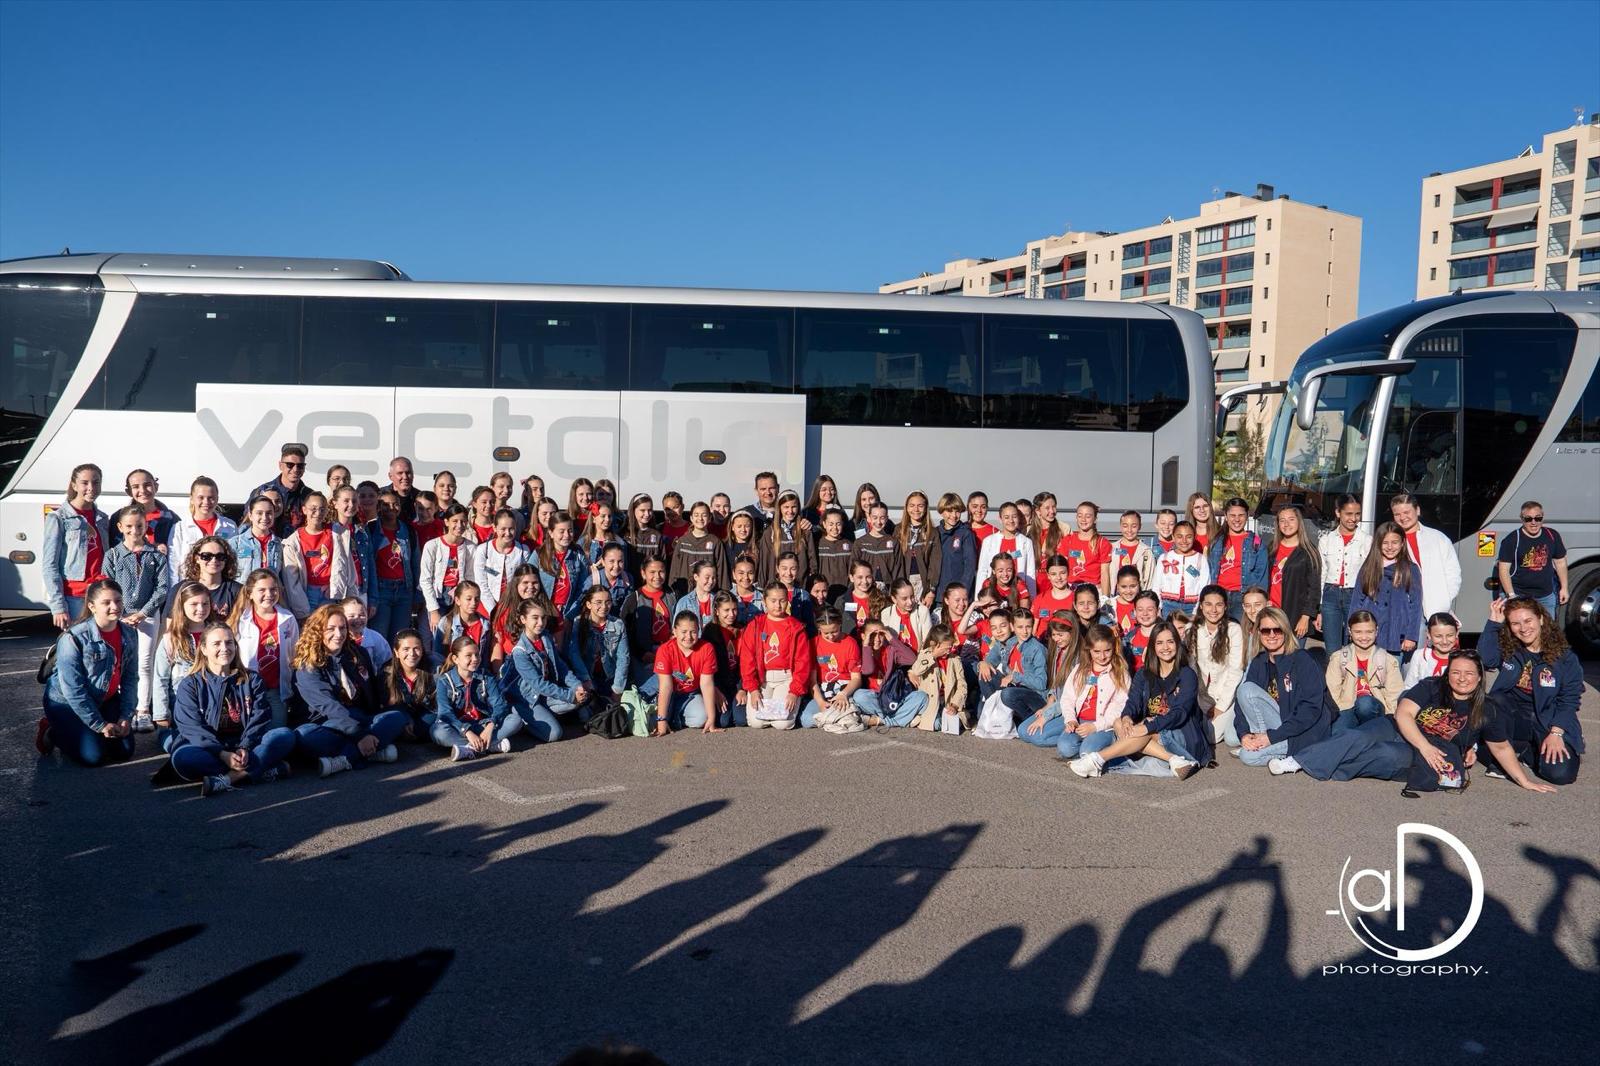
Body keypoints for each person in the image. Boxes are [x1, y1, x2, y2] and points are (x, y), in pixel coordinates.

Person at [1270, 650, 1557, 796]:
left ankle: (1328, 767)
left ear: (1480, 677)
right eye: (1456, 672)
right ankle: (1298, 761)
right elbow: (1404, 714)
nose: (1462, 678)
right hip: (1400, 729)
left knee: (1382, 756)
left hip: (1430, 749)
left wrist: (1525, 781)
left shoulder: (1487, 709)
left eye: (1469, 674)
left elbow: (1502, 748)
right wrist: (1424, 745)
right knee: (1359, 737)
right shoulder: (1432, 685)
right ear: (1448, 673)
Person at [167, 621, 296, 795]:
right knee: (184, 759)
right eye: (216, 644)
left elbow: (260, 717)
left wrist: (245, 747)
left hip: (244, 745)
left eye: (229, 642)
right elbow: (191, 727)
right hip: (208, 748)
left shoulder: (253, 679)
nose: (225, 648)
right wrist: (222, 754)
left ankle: (229, 779)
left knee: (284, 736)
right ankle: (262, 770)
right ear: (204, 649)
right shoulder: (190, 684)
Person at [1069, 622, 1206, 779]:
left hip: (1180, 732)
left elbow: (1179, 714)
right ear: (1153, 646)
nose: (1165, 647)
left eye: (1170, 641)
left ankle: (1097, 760)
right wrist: (1127, 717)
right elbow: (1132, 702)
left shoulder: (1187, 674)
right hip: (1153, 729)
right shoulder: (1144, 673)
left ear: (1177, 643)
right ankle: (1174, 760)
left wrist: (1148, 727)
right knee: (1119, 722)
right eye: (1159, 643)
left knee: (1143, 729)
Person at [288, 604, 409, 777]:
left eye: (342, 628)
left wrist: (370, 726)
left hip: (358, 717)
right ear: (317, 631)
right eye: (331, 629)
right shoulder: (306, 666)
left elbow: (373, 695)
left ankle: (346, 758)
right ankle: (371, 752)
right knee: (306, 737)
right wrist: (361, 735)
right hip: (325, 723)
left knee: (396, 717)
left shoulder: (358, 653)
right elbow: (329, 707)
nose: (339, 634)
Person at [1478, 597, 1583, 786]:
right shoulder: (1511, 648)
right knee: (1496, 700)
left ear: (1541, 619)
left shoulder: (1565, 657)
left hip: (1548, 719)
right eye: (1515, 623)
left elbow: (1570, 700)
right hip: (1514, 716)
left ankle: (1528, 752)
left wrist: (1557, 733)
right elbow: (1486, 660)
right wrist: (1493, 623)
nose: (1523, 628)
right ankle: (1509, 752)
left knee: (1560, 774)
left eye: (1528, 621)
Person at [36, 579, 137, 766]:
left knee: (124, 752)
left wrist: (125, 716)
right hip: (66, 703)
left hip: (105, 699)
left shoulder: (130, 634)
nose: (114, 606)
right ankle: (52, 729)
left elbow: (131, 679)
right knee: (93, 757)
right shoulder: (73, 637)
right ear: (92, 606)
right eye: (106, 603)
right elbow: (73, 690)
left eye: (118, 600)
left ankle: (92, 733)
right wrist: (99, 724)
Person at [1232, 606, 1329, 767]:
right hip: (1275, 727)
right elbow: (1240, 705)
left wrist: (1271, 737)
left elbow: (1310, 709)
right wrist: (1243, 734)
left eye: (1277, 630)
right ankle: (1287, 753)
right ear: (1258, 633)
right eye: (1265, 631)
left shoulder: (1302, 659)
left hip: (1301, 731)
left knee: (1247, 756)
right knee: (1245, 690)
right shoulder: (1258, 661)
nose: (1271, 635)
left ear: (1285, 631)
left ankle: (1293, 751)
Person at [104, 505, 168, 732]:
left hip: (148, 615)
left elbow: (162, 589)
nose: (134, 530)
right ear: (121, 527)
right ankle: (124, 710)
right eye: (129, 526)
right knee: (121, 662)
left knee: (145, 662)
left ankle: (143, 710)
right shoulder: (112, 555)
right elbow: (107, 586)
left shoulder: (156, 555)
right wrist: (121, 614)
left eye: (139, 525)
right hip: (119, 616)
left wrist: (143, 613)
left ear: (146, 526)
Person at [506, 599, 592, 742]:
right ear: (523, 619)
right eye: (535, 618)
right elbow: (538, 684)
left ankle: (548, 714)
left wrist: (577, 686)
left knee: (582, 697)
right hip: (529, 699)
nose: (540, 622)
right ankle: (525, 719)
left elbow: (561, 667)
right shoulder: (520, 652)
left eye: (543, 617)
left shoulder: (546, 637)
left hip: (547, 694)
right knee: (555, 734)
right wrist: (570, 695)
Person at [433, 635, 522, 760]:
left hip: (482, 725)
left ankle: (470, 749)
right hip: (458, 727)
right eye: (468, 655)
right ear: (455, 659)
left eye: (477, 654)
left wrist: (490, 725)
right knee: (438, 732)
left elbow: (499, 704)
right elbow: (445, 713)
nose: (475, 659)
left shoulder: (486, 676)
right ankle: (491, 746)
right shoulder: (444, 681)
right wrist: (467, 732)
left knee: (515, 720)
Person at [737, 581, 812, 730]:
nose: (778, 605)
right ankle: (771, 708)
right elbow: (747, 660)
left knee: (782, 724)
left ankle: (798, 702)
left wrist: (794, 692)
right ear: (764, 601)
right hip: (762, 679)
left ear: (788, 601)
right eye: (773, 601)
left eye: (782, 601)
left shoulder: (796, 628)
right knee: (756, 723)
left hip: (786, 679)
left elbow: (803, 662)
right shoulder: (756, 625)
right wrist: (752, 689)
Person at [230, 569, 299, 728]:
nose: (269, 594)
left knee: (279, 730)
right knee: (252, 729)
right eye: (262, 590)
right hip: (248, 690)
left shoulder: (288, 619)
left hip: (276, 690)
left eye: (273, 589)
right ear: (250, 593)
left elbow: (295, 654)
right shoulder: (240, 620)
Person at [43, 463, 109, 629]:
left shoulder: (102, 519)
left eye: (96, 482)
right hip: (74, 597)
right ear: (74, 485)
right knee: (77, 649)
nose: (91, 488)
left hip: (100, 594)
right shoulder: (59, 518)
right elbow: (49, 565)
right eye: (84, 483)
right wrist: (58, 606)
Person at [1050, 624, 1129, 761]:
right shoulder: (1080, 669)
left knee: (1087, 751)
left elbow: (1120, 706)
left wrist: (1095, 726)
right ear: (1089, 650)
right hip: (1080, 721)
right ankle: (1090, 751)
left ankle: (1110, 747)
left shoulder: (1120, 673)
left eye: (1107, 651)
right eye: (1096, 652)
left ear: (1113, 648)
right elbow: (1067, 698)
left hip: (1104, 725)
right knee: (1065, 748)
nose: (1102, 656)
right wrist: (1071, 720)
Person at [1390, 492, 1462, 638]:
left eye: (1406, 512)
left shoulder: (1438, 538)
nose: (1403, 517)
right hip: (1403, 611)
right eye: (1397, 514)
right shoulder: (1389, 541)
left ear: (1417, 510)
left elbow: (1453, 574)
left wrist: (1444, 601)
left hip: (1433, 609)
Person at [1348, 522, 1422, 657]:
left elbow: (1415, 604)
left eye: (1394, 542)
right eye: (1385, 542)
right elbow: (1357, 600)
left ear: (1402, 543)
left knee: (1392, 673)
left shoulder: (1410, 569)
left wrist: (1411, 635)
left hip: (1395, 631)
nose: (1389, 547)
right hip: (1369, 631)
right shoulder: (1368, 567)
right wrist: (1352, 627)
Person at [1325, 610, 1403, 735]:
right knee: (1338, 735)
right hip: (1347, 707)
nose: (1364, 637)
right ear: (1350, 632)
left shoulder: (1387, 660)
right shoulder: (1339, 658)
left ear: (1376, 631)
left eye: (1369, 632)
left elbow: (1394, 695)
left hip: (1376, 710)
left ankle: (1372, 734)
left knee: (1364, 703)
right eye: (1358, 632)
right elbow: (1333, 692)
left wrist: (1391, 721)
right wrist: (1340, 715)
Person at [1188, 585, 1246, 748]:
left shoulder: (1233, 630)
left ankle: (1232, 717)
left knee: (1211, 736)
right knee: (1191, 730)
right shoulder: (1192, 630)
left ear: (1226, 606)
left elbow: (1235, 671)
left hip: (1224, 695)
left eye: (1219, 604)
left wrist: (1220, 708)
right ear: (1201, 606)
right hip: (1201, 697)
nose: (1213, 610)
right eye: (1208, 604)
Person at [153, 581, 212, 732]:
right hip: (181, 702)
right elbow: (160, 678)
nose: (201, 609)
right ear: (182, 605)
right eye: (194, 604)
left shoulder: (216, 633)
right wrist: (161, 714)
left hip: (212, 701)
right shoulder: (171, 638)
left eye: (205, 604)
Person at [1015, 616, 1083, 747]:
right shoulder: (1059, 650)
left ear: (1072, 632)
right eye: (1054, 635)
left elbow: (1071, 698)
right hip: (1057, 705)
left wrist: (1046, 717)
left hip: (1070, 709)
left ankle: (1076, 737)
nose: (1056, 639)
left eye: (1060, 635)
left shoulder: (1079, 657)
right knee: (1023, 731)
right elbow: (1056, 685)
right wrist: (1047, 705)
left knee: (1038, 738)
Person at [281, 490, 349, 620]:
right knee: (310, 632)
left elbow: (343, 564)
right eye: (313, 509)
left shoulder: (336, 533)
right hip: (307, 593)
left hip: (329, 592)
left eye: (322, 509)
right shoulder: (293, 541)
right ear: (304, 510)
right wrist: (301, 608)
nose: (318, 513)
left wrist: (335, 587)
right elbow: (291, 579)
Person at [1495, 500, 1569, 620]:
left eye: (1538, 518)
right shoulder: (1512, 539)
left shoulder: (1552, 535)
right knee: (1518, 631)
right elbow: (1503, 570)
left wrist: (1564, 588)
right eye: (1528, 519)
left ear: (1542, 518)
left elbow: (1560, 562)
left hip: (1545, 595)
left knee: (1548, 632)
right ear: (1522, 519)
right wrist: (1511, 595)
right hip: (1518, 594)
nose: (1533, 522)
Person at [651, 613, 722, 735]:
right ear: (674, 631)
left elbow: (706, 684)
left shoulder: (706, 648)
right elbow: (666, 687)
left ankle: (674, 717)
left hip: (690, 693)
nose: (688, 636)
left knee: (702, 718)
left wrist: (711, 718)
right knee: (651, 723)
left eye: (693, 632)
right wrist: (661, 719)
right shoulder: (665, 650)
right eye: (684, 632)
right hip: (665, 692)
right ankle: (667, 716)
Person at [1315, 493, 1368, 647]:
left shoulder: (1367, 540)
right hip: (1330, 595)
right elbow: (1322, 573)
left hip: (1355, 595)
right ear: (1338, 513)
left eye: (1357, 514)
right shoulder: (1326, 540)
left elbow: (1369, 574)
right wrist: (1320, 608)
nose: (1353, 518)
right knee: (1332, 648)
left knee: (1356, 645)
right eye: (1349, 514)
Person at [979, 609, 1049, 723]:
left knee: (1008, 694)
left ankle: (1027, 721)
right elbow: (990, 661)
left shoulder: (1037, 649)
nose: (1025, 631)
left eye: (1028, 627)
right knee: (985, 673)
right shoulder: (1009, 643)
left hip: (1035, 695)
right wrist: (982, 663)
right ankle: (995, 714)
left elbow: (1041, 684)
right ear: (1012, 627)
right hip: (1015, 688)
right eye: (1020, 627)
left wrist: (1015, 676)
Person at [166, 476, 238, 586]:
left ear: (217, 498)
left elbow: (235, 559)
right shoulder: (180, 528)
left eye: (211, 497)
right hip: (190, 588)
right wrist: (175, 592)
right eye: (201, 497)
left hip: (221, 587)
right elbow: (173, 564)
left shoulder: (229, 526)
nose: (206, 502)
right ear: (192, 498)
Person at [798, 608, 863, 729]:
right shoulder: (813, 644)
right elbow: (812, 681)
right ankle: (845, 718)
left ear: (840, 624)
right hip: (824, 691)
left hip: (846, 689)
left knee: (863, 697)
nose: (830, 636)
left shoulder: (850, 643)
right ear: (819, 629)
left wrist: (843, 694)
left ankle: (835, 718)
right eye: (826, 633)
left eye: (834, 631)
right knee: (806, 720)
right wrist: (820, 702)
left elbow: (856, 678)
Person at [366, 489, 417, 642]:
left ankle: (396, 666)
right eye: (385, 504)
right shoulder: (371, 529)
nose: (391, 508)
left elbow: (415, 562)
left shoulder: (406, 530)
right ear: (378, 507)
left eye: (395, 504)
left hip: (404, 590)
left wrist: (416, 594)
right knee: (379, 636)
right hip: (381, 590)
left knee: (400, 638)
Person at [568, 585, 630, 705]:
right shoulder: (579, 622)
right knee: (586, 712)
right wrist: (586, 679)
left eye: (608, 602)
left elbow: (623, 658)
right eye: (598, 602)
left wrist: (617, 688)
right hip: (587, 675)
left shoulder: (618, 624)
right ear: (589, 604)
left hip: (609, 677)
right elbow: (574, 654)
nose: (604, 607)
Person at [853, 618, 921, 727]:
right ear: (863, 636)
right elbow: (868, 670)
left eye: (881, 634)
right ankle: (900, 719)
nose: (877, 639)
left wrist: (892, 639)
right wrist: (866, 646)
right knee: (859, 696)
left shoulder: (890, 650)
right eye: (872, 635)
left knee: (921, 697)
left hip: (891, 696)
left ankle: (881, 720)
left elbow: (911, 659)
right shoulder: (860, 650)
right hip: (874, 697)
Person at [1208, 498, 1267, 620]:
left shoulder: (1256, 542)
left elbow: (1262, 576)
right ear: (1226, 516)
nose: (1237, 519)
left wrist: (1260, 601)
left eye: (1241, 515)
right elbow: (1209, 569)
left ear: (1247, 516)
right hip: (1219, 595)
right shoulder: (1217, 541)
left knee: (1242, 636)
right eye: (1232, 515)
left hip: (1243, 597)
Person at [1266, 505, 1319, 640]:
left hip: (1295, 616)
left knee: (1293, 659)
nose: (1286, 524)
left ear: (1299, 522)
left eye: (1291, 519)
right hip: (1271, 612)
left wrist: (1306, 617)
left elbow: (1314, 588)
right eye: (1282, 520)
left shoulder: (1308, 552)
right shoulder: (1271, 548)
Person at [623, 557, 676, 693]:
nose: (657, 576)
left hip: (669, 654)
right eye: (652, 572)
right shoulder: (633, 599)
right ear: (643, 573)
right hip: (643, 658)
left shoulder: (672, 595)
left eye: (661, 572)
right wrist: (641, 654)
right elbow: (625, 634)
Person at [420, 503, 475, 631]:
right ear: (446, 522)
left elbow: (471, 576)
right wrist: (433, 610)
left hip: (459, 596)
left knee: (458, 633)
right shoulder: (432, 545)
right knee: (437, 635)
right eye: (455, 521)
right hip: (438, 595)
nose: (459, 525)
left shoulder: (471, 547)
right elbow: (425, 579)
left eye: (463, 521)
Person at [472, 508, 532, 620]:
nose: (507, 533)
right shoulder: (483, 550)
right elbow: (481, 582)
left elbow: (525, 581)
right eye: (503, 529)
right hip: (486, 606)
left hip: (513, 606)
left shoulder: (523, 551)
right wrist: (494, 609)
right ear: (494, 528)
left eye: (511, 529)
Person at [380, 630, 437, 742]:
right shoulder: (386, 672)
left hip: (426, 711)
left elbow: (436, 705)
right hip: (401, 713)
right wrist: (406, 719)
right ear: (396, 652)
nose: (412, 654)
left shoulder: (434, 668)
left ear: (422, 650)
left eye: (416, 648)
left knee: (428, 724)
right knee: (395, 720)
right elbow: (388, 706)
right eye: (406, 649)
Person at [536, 509, 589, 624]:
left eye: (570, 531)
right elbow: (530, 582)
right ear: (551, 533)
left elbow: (584, 585)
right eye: (561, 531)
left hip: (569, 612)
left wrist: (572, 611)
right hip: (544, 612)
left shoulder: (578, 553)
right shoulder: (539, 554)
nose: (566, 535)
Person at [756, 490, 817, 587]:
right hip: (776, 588)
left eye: (794, 507)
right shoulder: (770, 532)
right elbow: (764, 561)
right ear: (779, 508)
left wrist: (811, 580)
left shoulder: (805, 531)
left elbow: (812, 559)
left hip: (800, 585)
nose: (790, 511)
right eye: (786, 507)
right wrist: (762, 585)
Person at [667, 501, 728, 594]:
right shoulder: (683, 542)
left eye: (704, 515)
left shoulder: (715, 542)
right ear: (691, 518)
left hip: (708, 594)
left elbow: (722, 572)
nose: (700, 518)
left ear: (710, 518)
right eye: (696, 515)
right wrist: (672, 592)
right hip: (684, 593)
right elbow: (674, 571)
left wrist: (723, 594)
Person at [1153, 521, 1209, 619]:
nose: (1184, 541)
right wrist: (1158, 607)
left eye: (1188, 537)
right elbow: (1156, 585)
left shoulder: (1201, 559)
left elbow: (1204, 586)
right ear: (1173, 537)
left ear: (1194, 537)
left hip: (1192, 606)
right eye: (1179, 536)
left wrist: (1197, 610)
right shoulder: (1164, 557)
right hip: (1168, 605)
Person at [330, 485, 375, 608]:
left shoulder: (362, 531)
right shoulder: (330, 531)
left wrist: (373, 599)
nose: (351, 505)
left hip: (360, 590)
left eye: (354, 501)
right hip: (339, 592)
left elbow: (370, 564)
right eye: (346, 501)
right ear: (335, 503)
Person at [252, 443, 312, 534]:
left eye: (300, 466)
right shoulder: (261, 492)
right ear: (280, 465)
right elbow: (247, 524)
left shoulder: (310, 496)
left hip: (299, 546)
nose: (295, 469)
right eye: (290, 465)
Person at [895, 491, 943, 605]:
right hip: (904, 582)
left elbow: (935, 563)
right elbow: (895, 562)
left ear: (926, 508)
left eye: (920, 506)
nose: (916, 509)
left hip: (923, 583)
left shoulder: (932, 532)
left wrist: (931, 591)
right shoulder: (899, 530)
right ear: (906, 508)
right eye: (912, 505)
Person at [976, 502, 1036, 589]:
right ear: (1000, 519)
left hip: (1017, 593)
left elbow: (1030, 573)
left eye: (1014, 517)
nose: (1011, 521)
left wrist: (1031, 599)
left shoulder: (1026, 542)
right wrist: (979, 598)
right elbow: (983, 571)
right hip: (994, 593)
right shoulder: (988, 541)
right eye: (1006, 517)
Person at [230, 495, 284, 583]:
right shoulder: (235, 543)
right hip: (243, 594)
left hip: (270, 594)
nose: (265, 517)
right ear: (250, 515)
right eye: (259, 513)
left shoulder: (281, 544)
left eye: (269, 513)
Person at [1060, 501, 1112, 594]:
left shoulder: (1102, 543)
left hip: (1093, 591)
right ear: (1076, 517)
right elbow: (1061, 569)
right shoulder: (1067, 540)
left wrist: (1105, 598)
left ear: (1095, 519)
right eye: (1080, 516)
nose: (1083, 520)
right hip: (1071, 590)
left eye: (1088, 516)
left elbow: (1105, 573)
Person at [433, 580, 490, 662]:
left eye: (477, 599)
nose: (473, 603)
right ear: (457, 600)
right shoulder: (446, 622)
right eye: (468, 599)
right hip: (453, 671)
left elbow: (486, 657)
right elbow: (437, 655)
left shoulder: (485, 625)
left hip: (479, 672)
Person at [124, 469, 179, 554]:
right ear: (128, 492)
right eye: (135, 487)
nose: (142, 490)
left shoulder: (171, 519)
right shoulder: (119, 518)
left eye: (147, 485)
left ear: (156, 487)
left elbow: (180, 552)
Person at [850, 502, 903, 588]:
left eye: (882, 518)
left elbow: (899, 571)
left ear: (887, 519)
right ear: (869, 518)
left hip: (888, 592)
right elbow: (853, 570)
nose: (878, 522)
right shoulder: (860, 543)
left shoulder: (894, 542)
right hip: (866, 590)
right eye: (875, 518)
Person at [933, 493, 978, 596]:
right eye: (949, 511)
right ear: (941, 511)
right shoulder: (935, 533)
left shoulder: (966, 533)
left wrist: (962, 591)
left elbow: (970, 567)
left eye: (957, 511)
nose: (953, 515)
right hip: (938, 594)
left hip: (959, 595)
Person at [1402, 613, 1461, 687]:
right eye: (1438, 636)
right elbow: (1409, 686)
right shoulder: (1419, 656)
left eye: (1450, 635)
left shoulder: (1462, 660)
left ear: (1456, 634)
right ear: (1429, 635)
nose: (1444, 641)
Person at [342, 596, 392, 674]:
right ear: (342, 617)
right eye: (351, 616)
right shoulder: (338, 639)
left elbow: (387, 665)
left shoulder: (376, 638)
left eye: (362, 615)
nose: (357, 620)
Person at [835, 560, 885, 637]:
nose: (864, 581)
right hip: (851, 644)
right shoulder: (841, 601)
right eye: (860, 577)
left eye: (868, 577)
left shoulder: (880, 599)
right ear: (851, 578)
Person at [881, 578, 932, 652]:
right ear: (894, 599)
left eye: (912, 597)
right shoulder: (886, 614)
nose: (910, 602)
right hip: (896, 658)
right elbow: (886, 643)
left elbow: (928, 641)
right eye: (904, 599)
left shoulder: (922, 611)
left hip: (918, 658)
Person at [814, 509, 855, 601]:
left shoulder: (850, 545)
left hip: (844, 591)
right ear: (824, 524)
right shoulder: (818, 545)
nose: (835, 528)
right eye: (831, 524)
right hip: (824, 593)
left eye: (838, 524)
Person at [624, 493, 666, 579]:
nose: (647, 514)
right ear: (633, 510)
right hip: (629, 582)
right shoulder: (624, 534)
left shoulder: (656, 535)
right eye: (642, 510)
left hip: (650, 583)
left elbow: (663, 561)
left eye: (650, 510)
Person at [1110, 511, 1155, 590]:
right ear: (1120, 526)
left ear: (1140, 526)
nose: (1129, 530)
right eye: (1125, 526)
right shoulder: (1111, 548)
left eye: (1134, 526)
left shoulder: (1146, 551)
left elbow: (1150, 580)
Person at [674, 560, 721, 634]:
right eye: (707, 577)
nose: (711, 581)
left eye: (713, 578)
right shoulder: (684, 602)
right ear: (696, 577)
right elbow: (676, 630)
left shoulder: (718, 600)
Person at [1122, 591, 1162, 670]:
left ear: (1158, 611)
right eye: (1140, 610)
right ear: (1135, 612)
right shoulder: (1129, 638)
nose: (1145, 613)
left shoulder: (1165, 636)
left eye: (1150, 609)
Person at [385, 456, 417, 521]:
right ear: (390, 476)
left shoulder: (420, 497)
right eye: (400, 473)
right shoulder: (380, 496)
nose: (405, 477)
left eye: (408, 473)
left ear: (413, 474)